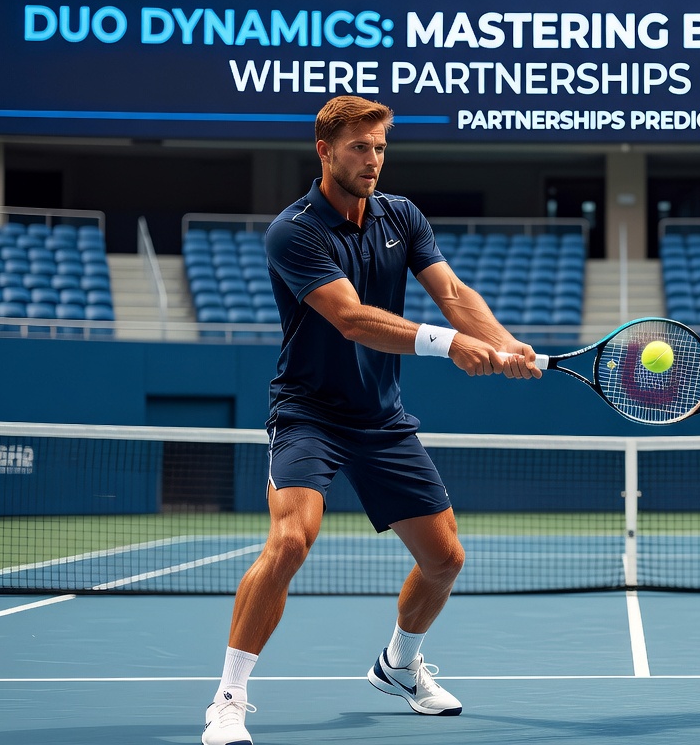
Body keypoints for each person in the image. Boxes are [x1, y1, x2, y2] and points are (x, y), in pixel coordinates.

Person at [202, 95, 541, 745]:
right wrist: (450, 345)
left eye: (380, 147)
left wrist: (503, 344)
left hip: (380, 419)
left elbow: (452, 293)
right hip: (308, 413)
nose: (373, 160)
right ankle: (228, 701)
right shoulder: (294, 230)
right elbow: (353, 318)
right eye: (360, 147)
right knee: (292, 540)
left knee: (444, 560)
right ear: (325, 152)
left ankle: (399, 665)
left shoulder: (402, 216)